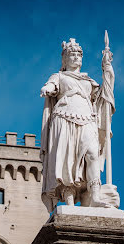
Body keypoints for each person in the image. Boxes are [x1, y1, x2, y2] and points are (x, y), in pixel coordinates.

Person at [40, 38, 115, 212]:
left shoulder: (89, 81)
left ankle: (95, 197)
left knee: (92, 155)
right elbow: (51, 85)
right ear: (64, 59)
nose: (75, 57)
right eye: (71, 54)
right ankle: (69, 201)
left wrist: (108, 71)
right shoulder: (59, 76)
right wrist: (48, 88)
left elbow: (104, 96)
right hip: (64, 118)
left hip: (87, 118)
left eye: (78, 54)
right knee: (68, 160)